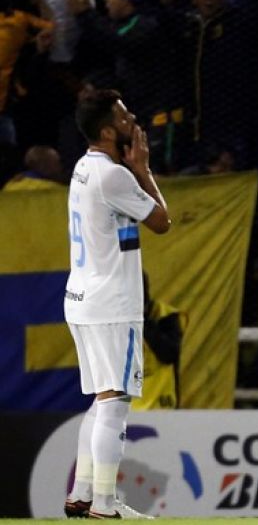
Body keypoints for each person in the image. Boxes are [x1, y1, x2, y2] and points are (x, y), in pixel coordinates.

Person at [63, 89, 170, 519]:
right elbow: (162, 221)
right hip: (111, 303)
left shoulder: (83, 167)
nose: (133, 122)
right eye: (125, 118)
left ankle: (82, 494)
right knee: (116, 401)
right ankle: (105, 505)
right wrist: (143, 170)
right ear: (108, 132)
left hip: (82, 298)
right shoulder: (115, 177)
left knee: (102, 399)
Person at [131, 272, 185, 410]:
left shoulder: (165, 316)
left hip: (162, 405)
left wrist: (143, 321)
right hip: (129, 407)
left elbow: (169, 354)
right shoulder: (116, 320)